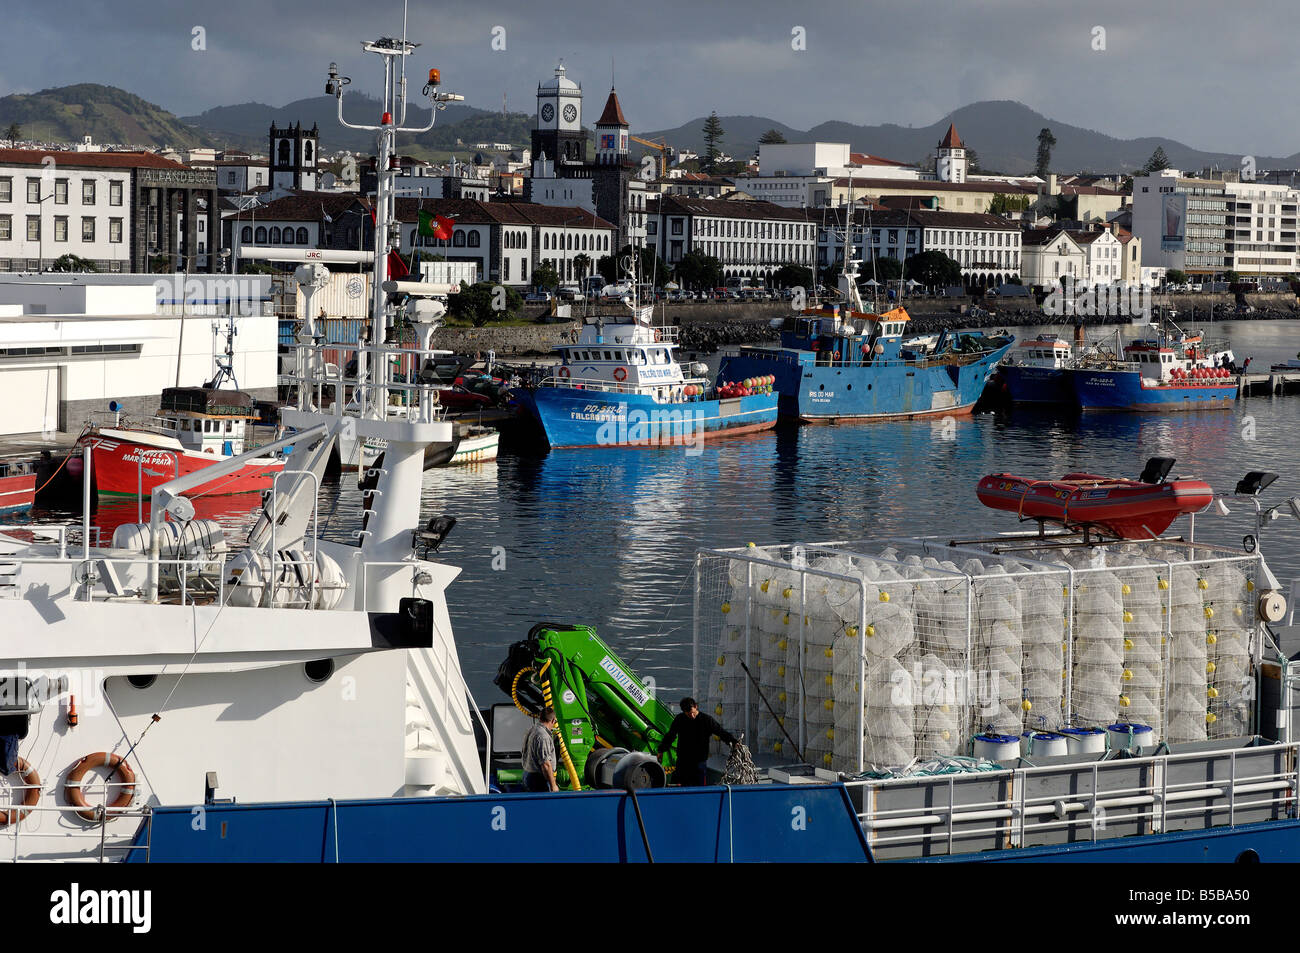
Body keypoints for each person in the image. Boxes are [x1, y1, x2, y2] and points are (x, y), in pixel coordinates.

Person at [657, 697, 737, 787]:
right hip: (683, 761)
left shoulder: (707, 720)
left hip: (699, 762)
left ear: (696, 706)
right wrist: (661, 750)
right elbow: (670, 736)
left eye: (692, 713)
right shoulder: (679, 719)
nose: (691, 716)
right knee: (677, 787)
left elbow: (721, 732)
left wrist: (734, 743)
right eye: (688, 714)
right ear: (684, 712)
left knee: (699, 787)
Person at [521, 707, 560, 793]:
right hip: (538, 780)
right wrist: (553, 786)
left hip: (527, 775)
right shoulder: (543, 736)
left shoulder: (532, 730)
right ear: (553, 721)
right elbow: (546, 764)